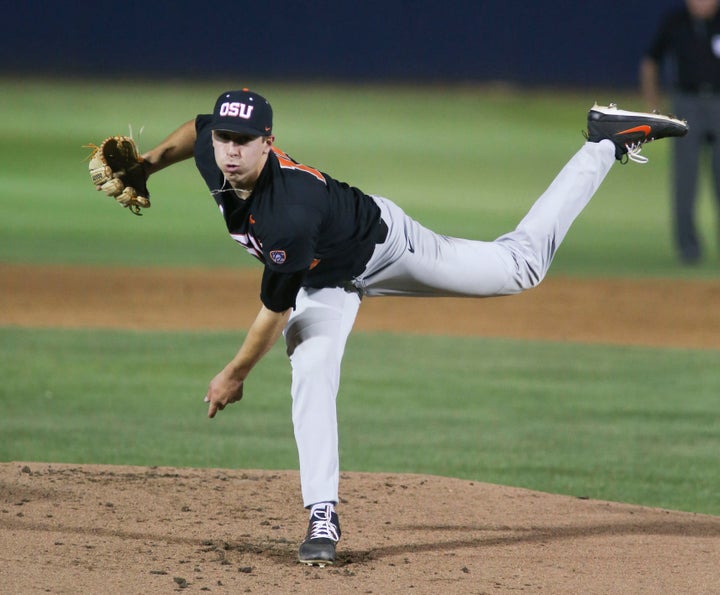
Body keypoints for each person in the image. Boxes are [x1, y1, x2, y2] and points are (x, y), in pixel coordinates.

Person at [131, 89, 686, 566]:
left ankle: (604, 142)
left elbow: (273, 313)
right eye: (226, 137)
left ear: (268, 141)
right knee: (312, 368)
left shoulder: (288, 215)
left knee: (521, 268)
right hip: (325, 282)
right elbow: (197, 130)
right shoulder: (215, 151)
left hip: (386, 247)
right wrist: (148, 164)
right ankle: (322, 516)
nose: (229, 148)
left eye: (243, 140)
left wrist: (233, 375)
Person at [641, 0, 720, 264]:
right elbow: (650, 61)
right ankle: (688, 249)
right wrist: (654, 107)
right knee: (685, 179)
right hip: (687, 103)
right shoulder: (675, 21)